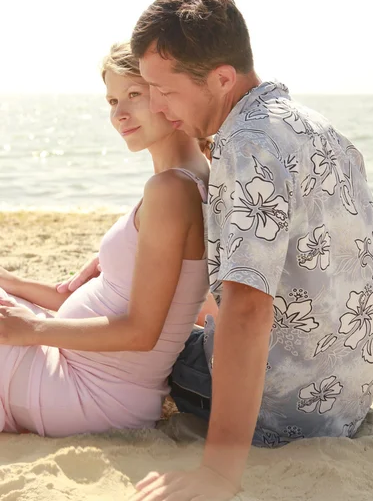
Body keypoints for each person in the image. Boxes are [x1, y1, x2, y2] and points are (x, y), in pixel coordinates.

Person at [112, 0, 373, 501]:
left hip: (292, 410)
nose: (153, 102)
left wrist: (220, 472)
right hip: (354, 387)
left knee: (157, 353)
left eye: (165, 89)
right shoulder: (313, 125)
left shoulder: (246, 148)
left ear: (221, 78)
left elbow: (247, 311)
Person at [0, 41, 214, 437]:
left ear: (170, 95)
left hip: (91, 395)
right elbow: (119, 300)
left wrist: (31, 329)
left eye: (134, 95)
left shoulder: (172, 191)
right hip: (89, 371)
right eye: (112, 100)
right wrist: (15, 284)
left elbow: (142, 331)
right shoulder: (186, 177)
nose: (119, 114)